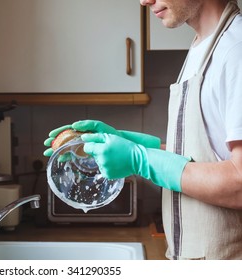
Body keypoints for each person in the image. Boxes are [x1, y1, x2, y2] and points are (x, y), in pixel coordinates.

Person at [43, 0, 242, 260]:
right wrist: (133, 145)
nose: (144, 0)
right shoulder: (202, 46)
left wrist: (141, 160)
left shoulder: (235, 50)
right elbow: (208, 157)